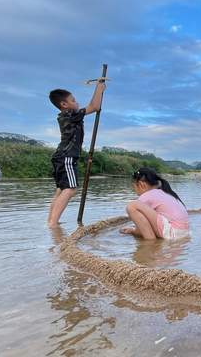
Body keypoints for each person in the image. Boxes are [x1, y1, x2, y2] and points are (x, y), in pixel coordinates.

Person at [47, 80, 106, 227]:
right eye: (73, 100)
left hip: (60, 156)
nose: (77, 102)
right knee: (70, 189)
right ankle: (53, 224)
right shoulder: (70, 114)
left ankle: (51, 221)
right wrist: (99, 88)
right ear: (64, 105)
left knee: (60, 190)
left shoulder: (65, 115)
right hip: (66, 157)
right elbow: (94, 106)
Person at [120, 167, 189, 240]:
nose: (135, 191)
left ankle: (150, 242)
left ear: (141, 184)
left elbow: (142, 228)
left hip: (173, 233)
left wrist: (133, 231)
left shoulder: (147, 195)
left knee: (132, 206)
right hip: (184, 233)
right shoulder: (166, 192)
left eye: (134, 187)